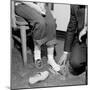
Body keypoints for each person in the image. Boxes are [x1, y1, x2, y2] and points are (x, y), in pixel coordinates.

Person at [12, 0, 61, 72]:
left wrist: (42, 3)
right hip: (23, 4)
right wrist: (35, 7)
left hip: (38, 4)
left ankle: (50, 59)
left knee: (51, 23)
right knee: (40, 22)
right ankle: (37, 53)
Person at [59, 5, 87, 75]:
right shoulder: (74, 5)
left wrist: (87, 28)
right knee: (75, 62)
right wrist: (65, 53)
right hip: (82, 39)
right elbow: (71, 28)